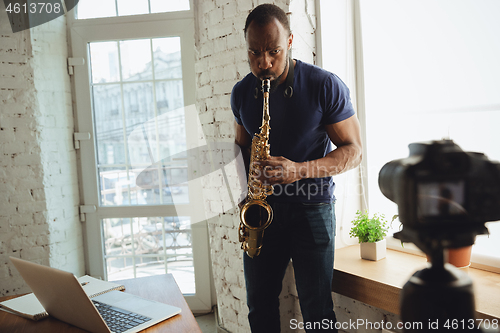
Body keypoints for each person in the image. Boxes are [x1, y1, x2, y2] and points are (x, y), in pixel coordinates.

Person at [231, 4, 362, 332]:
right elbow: (239, 147)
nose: (264, 63)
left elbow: (354, 151)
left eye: (273, 51)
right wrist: (240, 191)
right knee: (259, 308)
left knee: (318, 312)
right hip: (262, 212)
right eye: (255, 53)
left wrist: (299, 170)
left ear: (290, 42)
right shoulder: (242, 92)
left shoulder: (324, 85)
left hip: (312, 210)